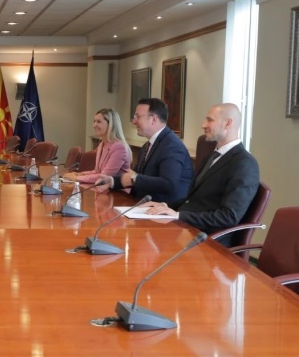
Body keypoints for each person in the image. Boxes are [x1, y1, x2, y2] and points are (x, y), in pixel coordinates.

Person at [143, 103, 259, 246]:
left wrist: (178, 215)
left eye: (210, 120)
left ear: (228, 123)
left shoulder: (244, 164)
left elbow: (228, 217)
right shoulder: (211, 157)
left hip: (208, 241)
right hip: (185, 230)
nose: (203, 125)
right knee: (143, 237)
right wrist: (164, 206)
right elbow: (194, 201)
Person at [95, 98, 192, 203]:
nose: (134, 121)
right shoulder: (147, 145)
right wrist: (112, 181)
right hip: (141, 205)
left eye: (138, 117)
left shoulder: (172, 146)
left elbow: (168, 183)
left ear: (153, 119)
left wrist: (135, 178)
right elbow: (133, 176)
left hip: (163, 209)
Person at [63, 108, 131, 183]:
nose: (94, 125)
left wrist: (77, 178)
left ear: (110, 124)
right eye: (94, 121)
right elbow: (97, 171)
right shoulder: (102, 144)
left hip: (116, 190)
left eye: (99, 121)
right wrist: (79, 174)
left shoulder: (119, 147)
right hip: (101, 187)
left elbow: (104, 177)